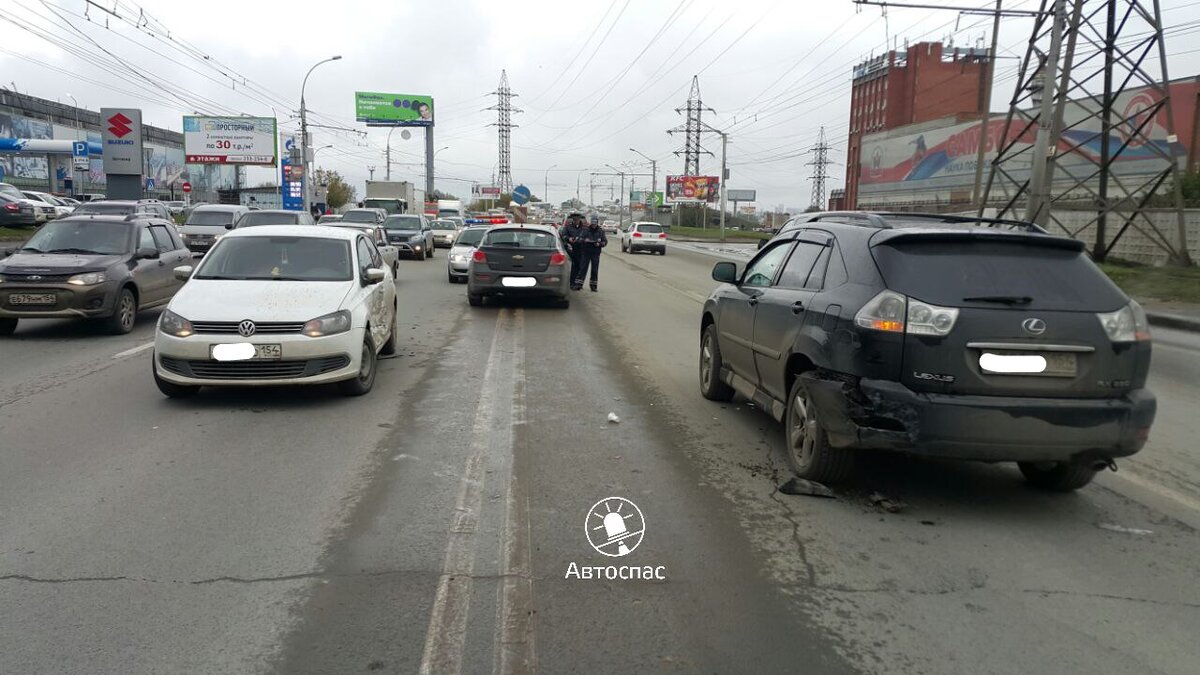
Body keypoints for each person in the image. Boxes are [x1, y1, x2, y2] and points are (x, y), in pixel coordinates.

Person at [576, 216, 607, 292]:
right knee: (583, 268)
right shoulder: (585, 230)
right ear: (591, 223)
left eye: (595, 223)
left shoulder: (600, 231)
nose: (594, 225)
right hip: (586, 251)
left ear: (597, 223)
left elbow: (605, 242)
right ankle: (579, 284)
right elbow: (579, 239)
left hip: (595, 252)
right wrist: (585, 240)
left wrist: (599, 244)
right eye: (592, 223)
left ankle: (593, 286)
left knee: (594, 270)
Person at [560, 212, 585, 288]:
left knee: (581, 267)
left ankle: (579, 283)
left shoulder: (584, 228)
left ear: (579, 220)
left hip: (582, 249)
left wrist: (581, 239)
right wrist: (569, 239)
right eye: (574, 220)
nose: (576, 221)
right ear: (573, 220)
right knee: (574, 266)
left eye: (577, 220)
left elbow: (587, 236)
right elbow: (564, 236)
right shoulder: (568, 227)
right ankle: (572, 283)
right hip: (571, 249)